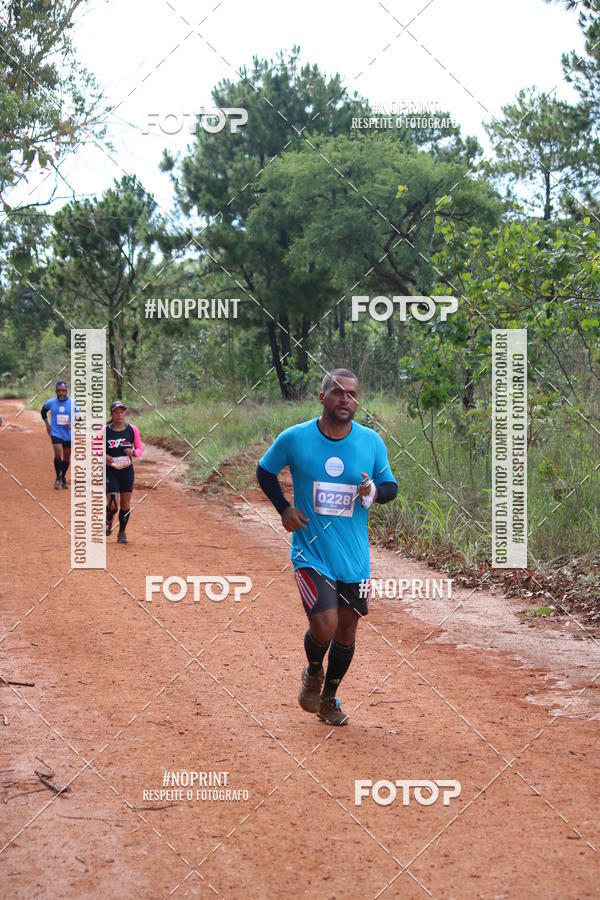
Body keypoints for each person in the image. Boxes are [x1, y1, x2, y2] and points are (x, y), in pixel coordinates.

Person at [256, 368, 398, 726]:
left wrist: (375, 493)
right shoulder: (295, 438)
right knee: (325, 624)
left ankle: (329, 697)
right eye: (337, 393)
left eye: (351, 394)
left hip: (354, 557)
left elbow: (390, 486)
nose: (344, 400)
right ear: (322, 397)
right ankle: (314, 670)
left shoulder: (371, 442)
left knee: (347, 629)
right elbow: (264, 471)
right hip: (311, 551)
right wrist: (284, 508)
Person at [105, 400, 143, 544]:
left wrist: (133, 452)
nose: (120, 414)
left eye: (122, 411)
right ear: (112, 414)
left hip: (126, 470)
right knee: (113, 504)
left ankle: (122, 532)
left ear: (125, 413)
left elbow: (139, 449)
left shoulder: (132, 429)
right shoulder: (105, 430)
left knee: (125, 504)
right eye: (116, 412)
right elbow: (94, 448)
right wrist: (103, 455)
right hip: (110, 469)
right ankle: (109, 517)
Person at [41, 381, 79, 489]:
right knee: (58, 453)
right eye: (59, 391)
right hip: (56, 432)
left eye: (63, 391)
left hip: (68, 434)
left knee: (67, 456)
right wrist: (47, 424)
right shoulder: (50, 402)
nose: (61, 393)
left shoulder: (72, 403)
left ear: (67, 391)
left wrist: (72, 423)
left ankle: (63, 477)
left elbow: (80, 416)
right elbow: (43, 412)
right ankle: (57, 477)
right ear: (56, 391)